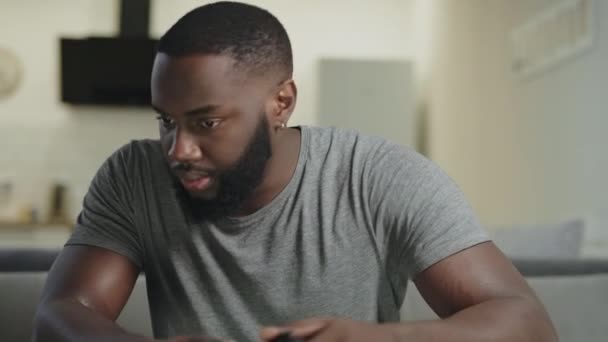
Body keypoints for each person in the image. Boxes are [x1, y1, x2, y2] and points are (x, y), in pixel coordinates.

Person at [33, 2, 557, 342]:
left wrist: (366, 339)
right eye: (165, 121)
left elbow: (527, 323)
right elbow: (60, 313)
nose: (178, 149)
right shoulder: (134, 176)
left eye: (206, 122)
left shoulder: (379, 177)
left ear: (280, 102)